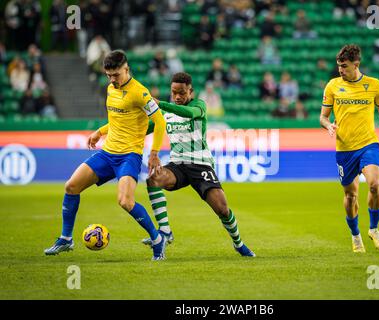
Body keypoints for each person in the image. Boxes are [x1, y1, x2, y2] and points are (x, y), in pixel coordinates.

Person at [44, 50, 168, 261]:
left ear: (126, 69)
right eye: (108, 75)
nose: (112, 79)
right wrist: (100, 132)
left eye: (116, 75)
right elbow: (120, 120)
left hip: (129, 156)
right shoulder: (111, 88)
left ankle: (157, 240)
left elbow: (160, 121)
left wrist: (154, 152)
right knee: (71, 186)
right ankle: (66, 239)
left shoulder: (140, 92)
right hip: (107, 153)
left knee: (125, 202)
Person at [142, 72, 255, 258]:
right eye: (174, 92)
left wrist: (159, 103)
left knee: (222, 209)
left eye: (182, 93)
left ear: (191, 91)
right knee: (153, 179)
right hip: (178, 165)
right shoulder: (164, 115)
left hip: (200, 165)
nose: (177, 97)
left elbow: (190, 113)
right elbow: (143, 130)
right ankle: (165, 231)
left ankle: (238, 243)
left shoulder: (198, 105)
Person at [319, 44, 379, 253]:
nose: (340, 70)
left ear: (356, 64)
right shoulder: (332, 86)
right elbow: (323, 117)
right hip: (344, 149)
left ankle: (373, 229)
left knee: (374, 184)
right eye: (339, 66)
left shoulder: (374, 85)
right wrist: (329, 126)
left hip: (368, 144)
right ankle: (355, 235)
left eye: (344, 66)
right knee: (351, 195)